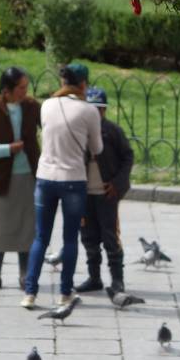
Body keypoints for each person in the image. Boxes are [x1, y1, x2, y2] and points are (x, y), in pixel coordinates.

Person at [23, 63, 103, 310]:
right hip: (73, 179)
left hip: (45, 178)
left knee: (40, 238)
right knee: (69, 238)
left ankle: (30, 293)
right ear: (83, 85)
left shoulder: (47, 105)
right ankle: (65, 293)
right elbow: (97, 148)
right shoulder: (88, 111)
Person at [0, 67, 40, 292]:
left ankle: (24, 274)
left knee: (26, 227)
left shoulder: (32, 107)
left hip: (28, 175)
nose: (25, 92)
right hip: (2, 178)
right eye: (21, 87)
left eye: (26, 87)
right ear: (8, 89)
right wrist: (7, 149)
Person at [75, 87, 135, 295]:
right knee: (88, 237)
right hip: (85, 194)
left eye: (100, 109)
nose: (96, 113)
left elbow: (128, 157)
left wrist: (117, 184)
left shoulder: (112, 131)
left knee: (110, 237)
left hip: (106, 195)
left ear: (104, 111)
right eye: (92, 109)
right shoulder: (79, 131)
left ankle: (117, 280)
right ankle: (94, 277)